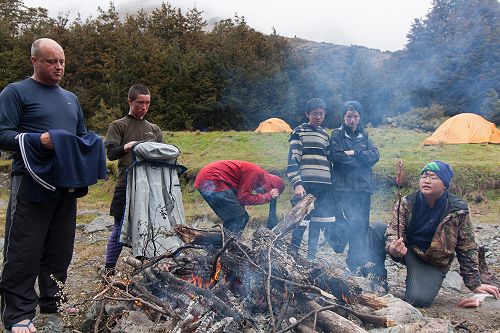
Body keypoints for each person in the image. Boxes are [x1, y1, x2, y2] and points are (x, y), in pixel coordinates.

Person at [0, 38, 92, 333]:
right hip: (30, 180)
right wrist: (36, 140)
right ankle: (17, 314)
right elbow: (2, 134)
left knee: (60, 246)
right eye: (52, 61)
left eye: (62, 61)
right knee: (24, 247)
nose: (59, 66)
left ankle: (53, 301)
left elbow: (81, 134)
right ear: (35, 62)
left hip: (64, 182)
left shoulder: (70, 98)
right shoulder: (15, 92)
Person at [369, 161, 500, 307]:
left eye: (434, 177)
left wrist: (474, 284)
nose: (427, 180)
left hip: (432, 261)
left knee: (418, 300)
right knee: (376, 228)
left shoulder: (458, 209)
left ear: (445, 183)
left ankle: (417, 279)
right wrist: (392, 247)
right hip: (407, 251)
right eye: (424, 176)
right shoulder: (406, 202)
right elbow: (393, 230)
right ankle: (376, 282)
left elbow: (466, 247)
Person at [103, 84, 163, 274]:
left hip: (149, 187)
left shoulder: (154, 129)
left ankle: (142, 268)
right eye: (140, 103)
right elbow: (111, 154)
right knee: (119, 229)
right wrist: (128, 146)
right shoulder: (118, 125)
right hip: (125, 185)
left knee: (147, 227)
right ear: (130, 101)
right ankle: (109, 268)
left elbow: (161, 158)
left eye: (147, 103)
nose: (144, 107)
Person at [328, 101, 379, 274]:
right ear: (343, 117)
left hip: (363, 189)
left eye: (355, 116)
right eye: (349, 116)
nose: (352, 119)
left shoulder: (364, 135)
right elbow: (336, 157)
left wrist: (355, 153)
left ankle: (355, 263)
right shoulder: (336, 135)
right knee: (347, 224)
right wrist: (360, 162)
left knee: (362, 226)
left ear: (360, 117)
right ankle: (341, 252)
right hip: (343, 189)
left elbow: (375, 155)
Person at [286, 98, 335, 259]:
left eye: (321, 114)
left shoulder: (324, 134)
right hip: (307, 185)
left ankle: (311, 256)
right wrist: (297, 184)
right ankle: (292, 252)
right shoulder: (299, 132)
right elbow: (293, 160)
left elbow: (328, 160)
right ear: (307, 114)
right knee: (301, 220)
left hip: (324, 185)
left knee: (318, 221)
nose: (318, 117)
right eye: (315, 114)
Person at [194, 160, 285, 235]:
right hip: (213, 179)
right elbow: (243, 198)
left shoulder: (258, 175)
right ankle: (228, 248)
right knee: (240, 217)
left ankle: (221, 249)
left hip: (207, 179)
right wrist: (267, 196)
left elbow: (239, 199)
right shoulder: (255, 172)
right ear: (270, 187)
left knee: (233, 218)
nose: (260, 192)